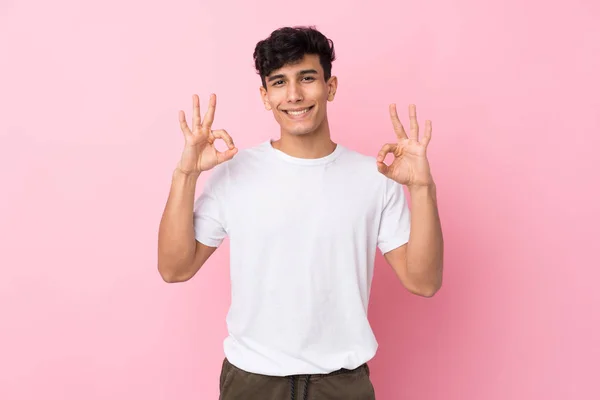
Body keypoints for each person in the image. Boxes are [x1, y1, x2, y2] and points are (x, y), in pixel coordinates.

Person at [157, 26, 444, 400]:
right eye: (279, 82)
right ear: (265, 96)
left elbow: (424, 282)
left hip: (342, 384)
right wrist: (186, 174)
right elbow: (174, 269)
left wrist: (423, 189)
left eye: (307, 78)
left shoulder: (375, 177)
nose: (293, 95)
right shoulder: (235, 173)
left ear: (331, 86)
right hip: (253, 382)